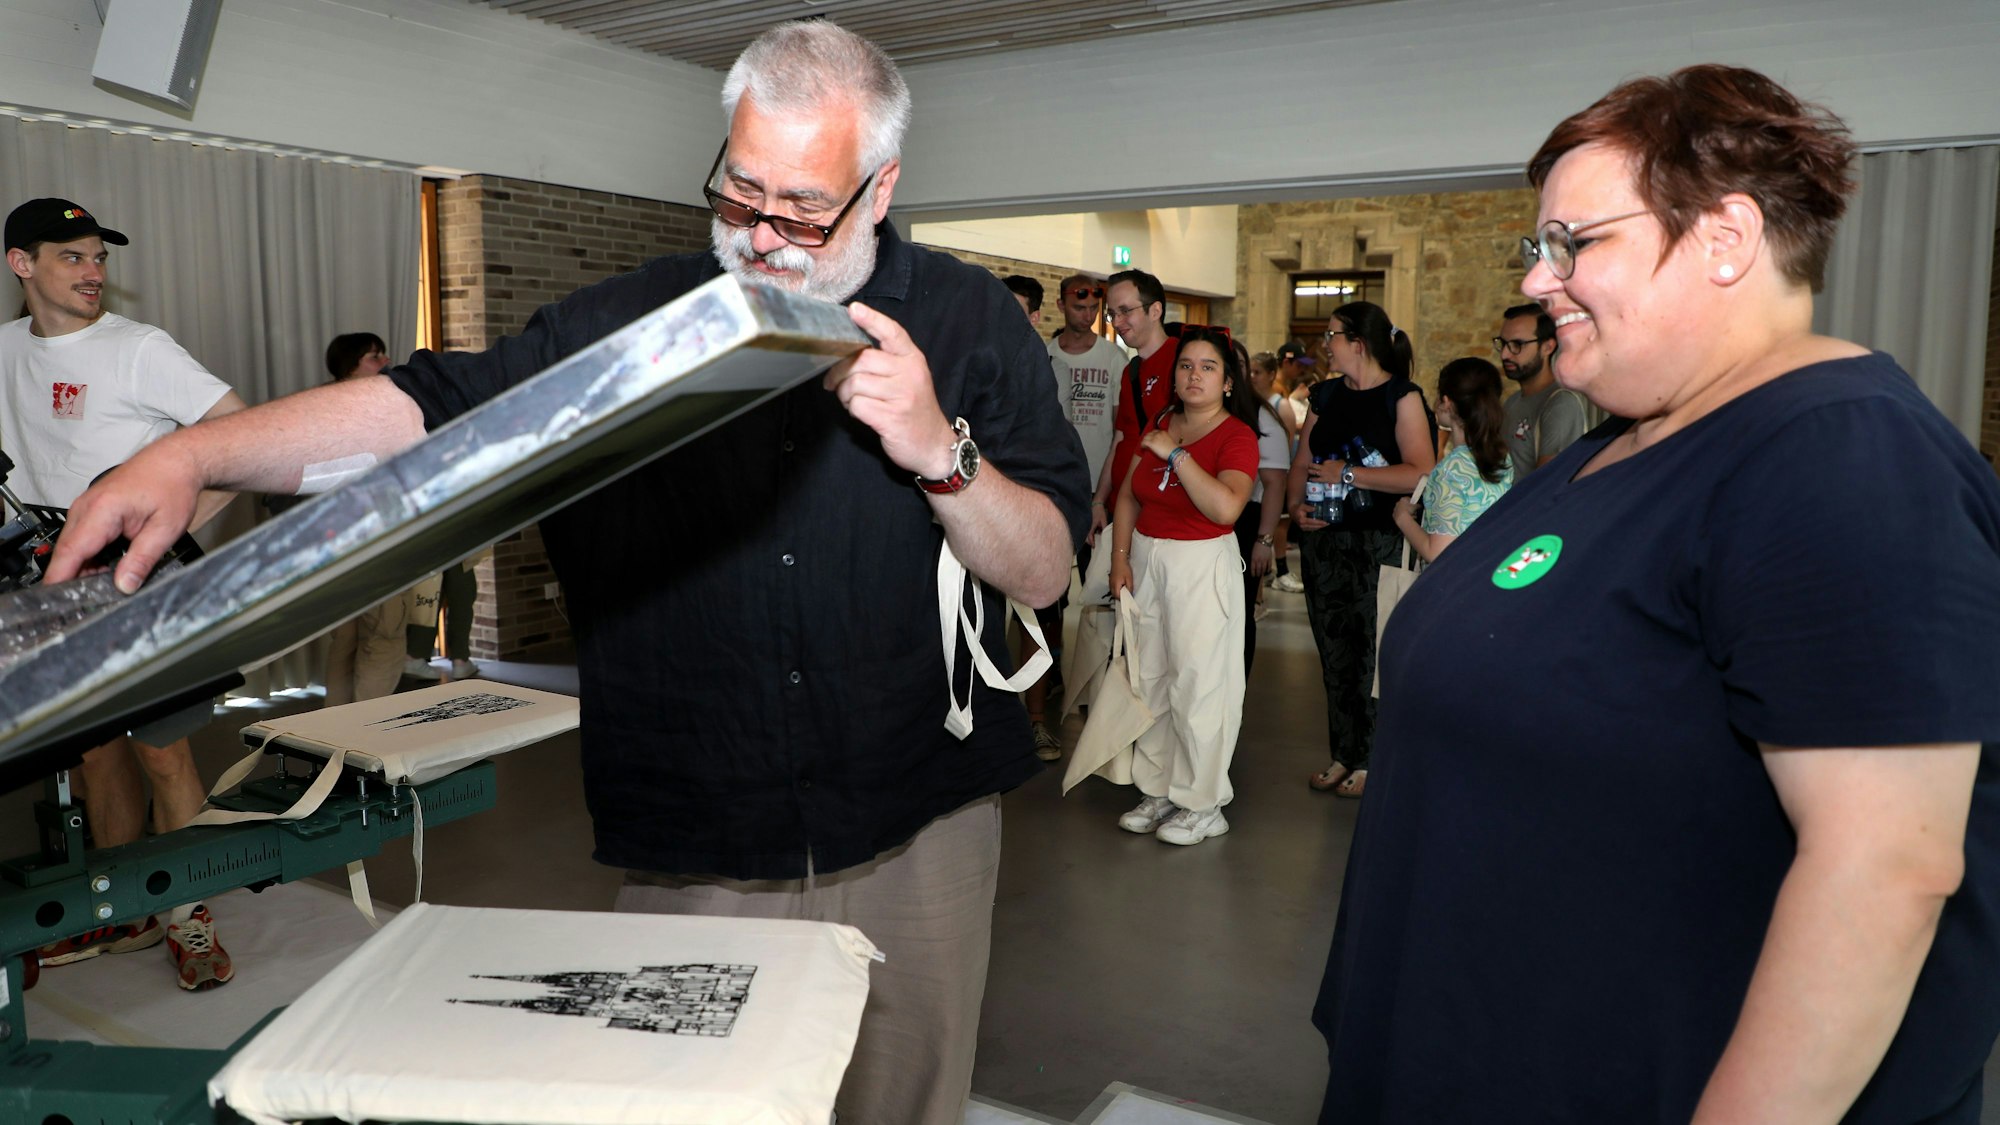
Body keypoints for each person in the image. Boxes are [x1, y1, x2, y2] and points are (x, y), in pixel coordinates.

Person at [48, 22, 1087, 1125]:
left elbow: (1041, 568)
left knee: (903, 1104)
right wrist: (196, 451)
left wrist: (943, 455)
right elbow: (426, 406)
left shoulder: (971, 322)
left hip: (916, 818)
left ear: (877, 192)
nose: (762, 235)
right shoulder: (626, 322)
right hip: (698, 833)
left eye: (801, 208)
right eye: (738, 194)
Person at [1314, 64, 2000, 1123]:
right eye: (1534, 249)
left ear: (1723, 238)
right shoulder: (1621, 446)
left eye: (1571, 244)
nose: (1539, 283)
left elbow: (1882, 873)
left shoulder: (1840, 457)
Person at [1, 197, 247, 990]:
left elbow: (237, 436)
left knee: (162, 751)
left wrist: (164, 539)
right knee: (95, 753)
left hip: (141, 579)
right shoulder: (3, 350)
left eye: (99, 257)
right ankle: (126, 908)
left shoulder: (139, 348)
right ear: (21, 264)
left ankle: (190, 912)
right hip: (52, 577)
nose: (94, 271)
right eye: (72, 256)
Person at [1101, 326, 1256, 845]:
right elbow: (1127, 496)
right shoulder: (1163, 421)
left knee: (1200, 684)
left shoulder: (1236, 436)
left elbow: (1226, 507)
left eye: (1208, 367)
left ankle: (1204, 802)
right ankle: (1161, 788)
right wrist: (1120, 560)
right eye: (1186, 366)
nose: (1194, 375)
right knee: (1152, 679)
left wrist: (1176, 456)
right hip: (1148, 557)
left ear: (1228, 382)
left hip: (1200, 563)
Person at [1285, 301, 1433, 798]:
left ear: (1359, 343)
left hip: (1382, 542)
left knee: (1375, 653)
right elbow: (1303, 461)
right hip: (1327, 540)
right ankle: (1343, 752)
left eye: (1332, 335)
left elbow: (1419, 472)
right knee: (1334, 651)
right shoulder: (1324, 394)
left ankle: (1373, 758)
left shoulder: (1402, 396)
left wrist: (1351, 475)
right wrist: (1296, 508)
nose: (1325, 344)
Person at [1025, 273, 1125, 760]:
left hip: (1096, 499)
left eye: (1094, 308)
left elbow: (1120, 435)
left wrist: (1101, 497)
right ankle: (1042, 705)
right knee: (1045, 603)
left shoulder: (1114, 360)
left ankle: (1097, 698)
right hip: (1049, 498)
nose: (1087, 315)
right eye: (1078, 306)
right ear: (1062, 305)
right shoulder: (1043, 357)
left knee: (1100, 601)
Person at [317, 332, 444, 704]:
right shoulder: (369, 410)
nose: (386, 361)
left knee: (348, 638)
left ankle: (333, 731)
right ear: (350, 365)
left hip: (333, 542)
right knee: (384, 638)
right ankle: (364, 737)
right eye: (374, 356)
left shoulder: (317, 407)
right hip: (374, 539)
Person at [1391, 357, 1511, 563]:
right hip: (1488, 574)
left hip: (1453, 586)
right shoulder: (1502, 457)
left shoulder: (1451, 469)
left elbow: (1437, 552)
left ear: (1446, 402)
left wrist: (1402, 518)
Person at [1235, 345, 1289, 652]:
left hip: (1247, 519)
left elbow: (1275, 483)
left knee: (1240, 611)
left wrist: (1264, 540)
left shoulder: (1262, 416)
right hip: (1209, 520)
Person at [1495, 301, 1588, 479]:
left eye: (1517, 344)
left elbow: (1548, 483)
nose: (1505, 354)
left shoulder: (1560, 404)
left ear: (1548, 347)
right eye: (1503, 343)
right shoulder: (1513, 401)